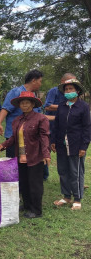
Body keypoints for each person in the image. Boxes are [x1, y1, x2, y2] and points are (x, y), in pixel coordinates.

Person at [0, 91, 50, 219]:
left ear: (32, 104)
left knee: (35, 184)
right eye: (22, 103)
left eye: (27, 103)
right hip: (21, 156)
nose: (24, 105)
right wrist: (3, 145)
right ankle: (27, 205)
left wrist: (46, 154)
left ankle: (36, 210)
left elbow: (44, 137)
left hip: (35, 156)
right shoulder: (17, 120)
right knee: (24, 183)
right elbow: (13, 138)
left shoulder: (40, 119)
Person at [51, 79, 90, 211]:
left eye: (71, 89)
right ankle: (66, 196)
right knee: (62, 170)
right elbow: (56, 125)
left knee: (75, 172)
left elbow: (86, 128)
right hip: (61, 144)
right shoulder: (62, 106)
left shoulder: (83, 106)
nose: (68, 91)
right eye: (66, 89)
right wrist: (53, 141)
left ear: (77, 91)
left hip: (76, 144)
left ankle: (77, 199)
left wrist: (84, 146)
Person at [0, 69, 43, 158]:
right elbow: (5, 109)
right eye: (40, 81)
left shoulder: (34, 97)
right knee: (14, 163)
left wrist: (57, 117)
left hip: (30, 136)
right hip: (14, 136)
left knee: (27, 162)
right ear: (33, 80)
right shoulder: (16, 92)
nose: (41, 84)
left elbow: (39, 115)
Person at [43, 73, 76, 181]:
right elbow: (47, 105)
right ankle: (43, 176)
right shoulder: (54, 91)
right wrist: (64, 107)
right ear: (62, 81)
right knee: (45, 151)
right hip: (51, 126)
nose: (71, 86)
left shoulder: (74, 93)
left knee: (70, 154)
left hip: (67, 129)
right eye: (70, 82)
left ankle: (73, 179)